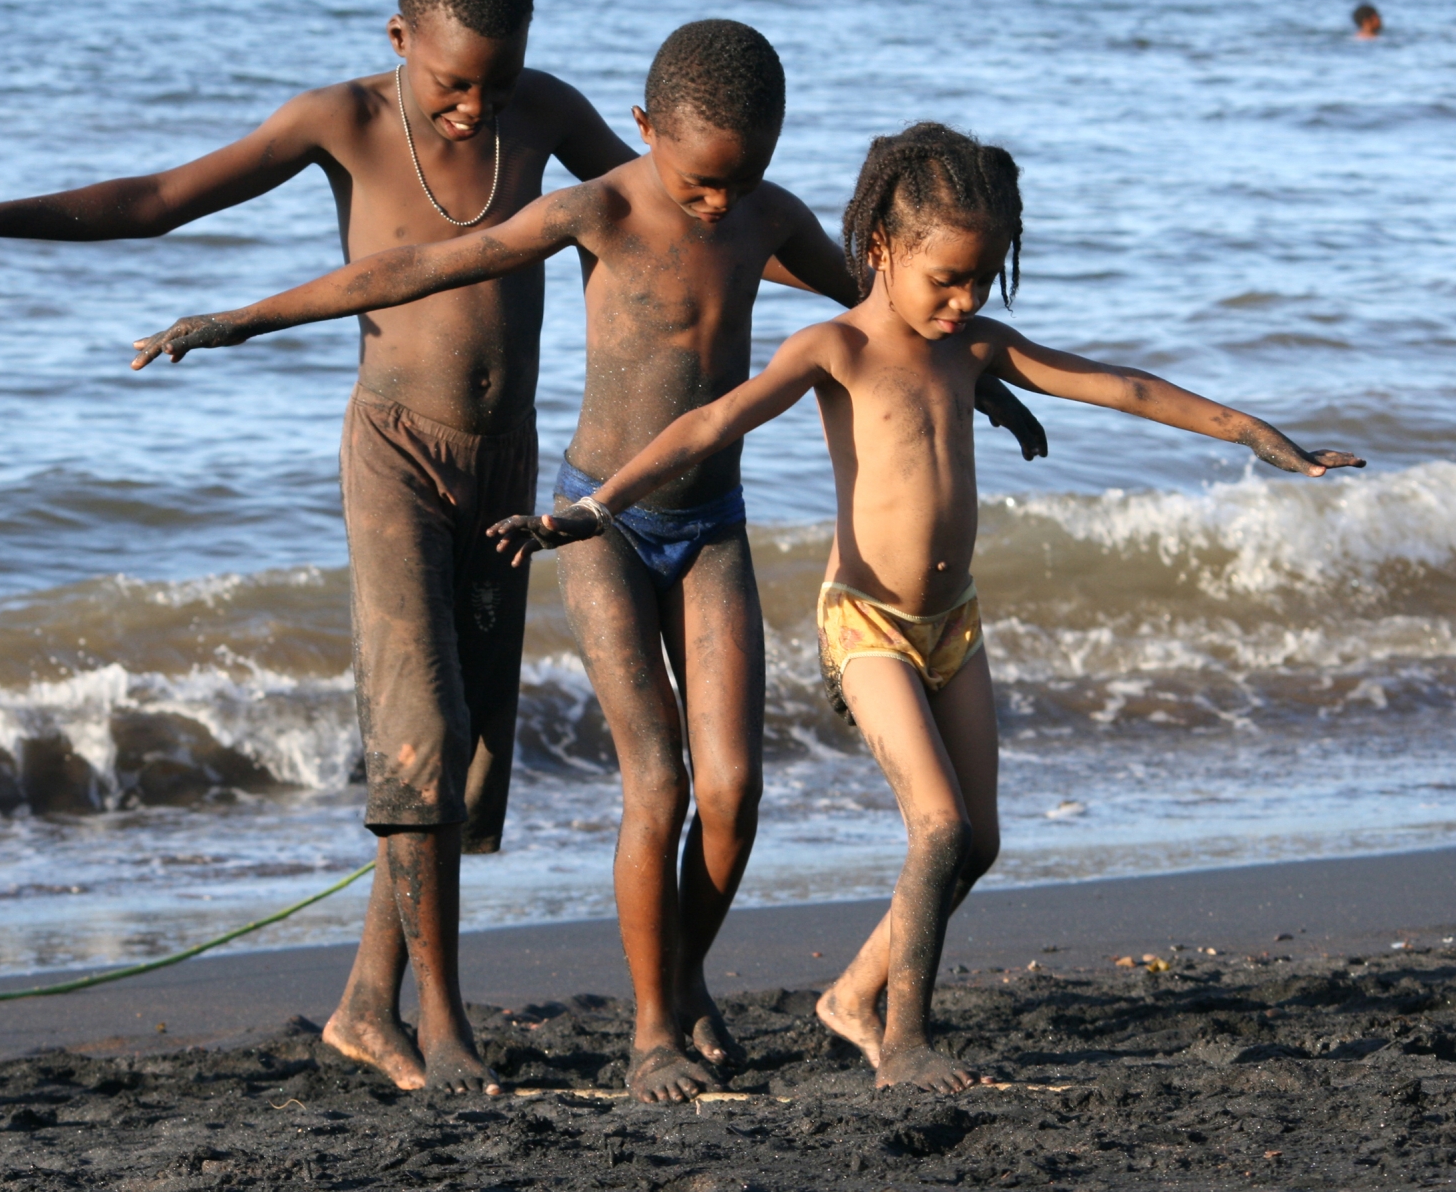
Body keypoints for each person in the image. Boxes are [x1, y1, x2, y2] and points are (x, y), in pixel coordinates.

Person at [127, 25, 1048, 1101]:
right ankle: (652, 1030)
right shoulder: (598, 208)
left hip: (712, 526)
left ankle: (684, 973)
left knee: (737, 793)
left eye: (745, 176)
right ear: (648, 129)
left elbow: (893, 308)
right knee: (654, 781)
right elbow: (425, 264)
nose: (722, 202)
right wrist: (245, 319)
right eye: (704, 180)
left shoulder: (764, 213)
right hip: (598, 523)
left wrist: (979, 379)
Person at [0, 0, 667, 1097]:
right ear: (399, 42)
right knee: (418, 741)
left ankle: (361, 1010)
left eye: (493, 80)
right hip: (395, 453)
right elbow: (158, 199)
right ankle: (442, 1029)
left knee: (473, 760)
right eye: (449, 84)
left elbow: (664, 209)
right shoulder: (340, 119)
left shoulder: (540, 112)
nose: (471, 108)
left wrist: (852, 277)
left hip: (505, 463)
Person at [485, 123, 1364, 1092]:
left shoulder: (975, 346)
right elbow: (708, 420)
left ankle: (853, 996)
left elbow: (1121, 386)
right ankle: (902, 1043)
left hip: (953, 622)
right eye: (944, 278)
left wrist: (1259, 437)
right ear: (878, 250)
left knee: (976, 843)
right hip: (863, 620)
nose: (964, 300)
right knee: (936, 830)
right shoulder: (836, 348)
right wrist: (595, 507)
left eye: (982, 278)